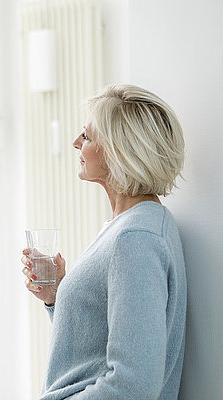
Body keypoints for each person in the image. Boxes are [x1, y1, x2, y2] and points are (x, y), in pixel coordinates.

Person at [21, 84, 187, 399]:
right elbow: (92, 353)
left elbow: (132, 386)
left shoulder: (136, 238)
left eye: (86, 136)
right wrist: (57, 296)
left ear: (117, 150)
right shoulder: (127, 227)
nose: (75, 143)